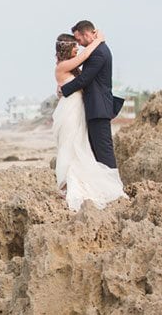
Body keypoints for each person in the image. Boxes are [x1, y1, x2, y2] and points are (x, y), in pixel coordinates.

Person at [52, 29, 126, 210]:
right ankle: (65, 184)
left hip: (81, 111)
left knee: (82, 147)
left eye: (78, 43)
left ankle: (90, 183)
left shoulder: (74, 66)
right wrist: (97, 40)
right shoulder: (63, 66)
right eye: (74, 46)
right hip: (70, 112)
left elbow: (84, 80)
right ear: (67, 49)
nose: (77, 49)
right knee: (70, 146)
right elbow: (85, 57)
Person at [59, 20, 124, 168]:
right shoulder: (98, 50)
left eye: (79, 39)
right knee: (97, 151)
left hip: (98, 108)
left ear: (87, 34)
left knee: (104, 152)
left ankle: (114, 186)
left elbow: (84, 79)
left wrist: (64, 90)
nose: (79, 43)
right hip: (97, 107)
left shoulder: (99, 53)